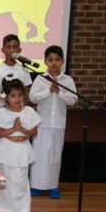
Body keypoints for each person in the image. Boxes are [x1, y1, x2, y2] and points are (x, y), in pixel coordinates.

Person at [29, 45, 77, 198]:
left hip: (58, 123)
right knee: (39, 155)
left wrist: (59, 92)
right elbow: (32, 98)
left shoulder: (67, 80)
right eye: (50, 60)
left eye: (57, 60)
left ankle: (53, 186)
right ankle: (35, 185)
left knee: (55, 156)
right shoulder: (40, 79)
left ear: (62, 61)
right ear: (45, 62)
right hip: (42, 122)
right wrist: (48, 90)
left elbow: (73, 100)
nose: (54, 63)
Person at [0, 76, 40, 212]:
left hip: (22, 150)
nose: (17, 99)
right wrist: (14, 128)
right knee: (4, 181)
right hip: (7, 149)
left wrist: (22, 130)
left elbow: (34, 132)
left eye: (20, 95)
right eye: (13, 96)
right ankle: (2, 209)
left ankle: (23, 209)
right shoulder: (1, 112)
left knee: (21, 181)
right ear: (6, 97)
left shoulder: (29, 111)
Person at [0, 34, 33, 171]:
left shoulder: (23, 70)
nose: (12, 50)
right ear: (3, 50)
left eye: (15, 47)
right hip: (1, 113)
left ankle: (15, 176)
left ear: (19, 50)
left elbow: (26, 94)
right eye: (8, 47)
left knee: (16, 144)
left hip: (18, 114)